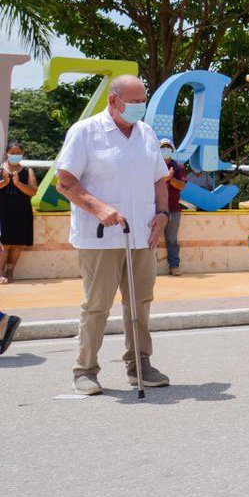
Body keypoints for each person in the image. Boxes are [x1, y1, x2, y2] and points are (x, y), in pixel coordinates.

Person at [56, 75, 172, 395]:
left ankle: (139, 363)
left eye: (142, 102)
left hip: (142, 235)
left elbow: (159, 180)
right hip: (101, 236)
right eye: (134, 102)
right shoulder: (86, 132)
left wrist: (162, 215)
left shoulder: (146, 133)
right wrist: (98, 208)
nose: (140, 108)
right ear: (113, 100)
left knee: (140, 303)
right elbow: (64, 181)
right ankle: (85, 369)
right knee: (97, 304)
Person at [0, 141, 37, 284]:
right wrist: (4, 182)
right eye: (12, 153)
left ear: (22, 154)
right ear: (6, 154)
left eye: (18, 153)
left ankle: (10, 271)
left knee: (18, 243)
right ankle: (1, 272)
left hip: (22, 212)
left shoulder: (28, 171)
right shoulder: (1, 169)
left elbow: (33, 191)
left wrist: (18, 184)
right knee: (4, 244)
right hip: (3, 212)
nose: (15, 155)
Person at [159, 138, 187, 276]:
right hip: (156, 210)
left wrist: (170, 178)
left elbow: (181, 185)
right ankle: (149, 268)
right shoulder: (153, 165)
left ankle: (174, 266)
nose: (165, 150)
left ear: (172, 150)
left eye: (168, 147)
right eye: (163, 147)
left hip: (174, 209)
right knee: (151, 239)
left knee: (172, 240)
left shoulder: (178, 167)